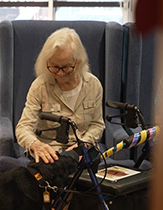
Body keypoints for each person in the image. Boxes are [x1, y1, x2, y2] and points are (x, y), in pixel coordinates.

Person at [16, 27, 105, 164]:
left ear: (78, 62)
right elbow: (23, 128)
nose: (60, 73)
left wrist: (85, 144)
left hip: (83, 152)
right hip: (51, 154)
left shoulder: (93, 85)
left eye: (66, 67)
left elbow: (97, 124)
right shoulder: (39, 86)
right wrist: (36, 145)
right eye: (54, 67)